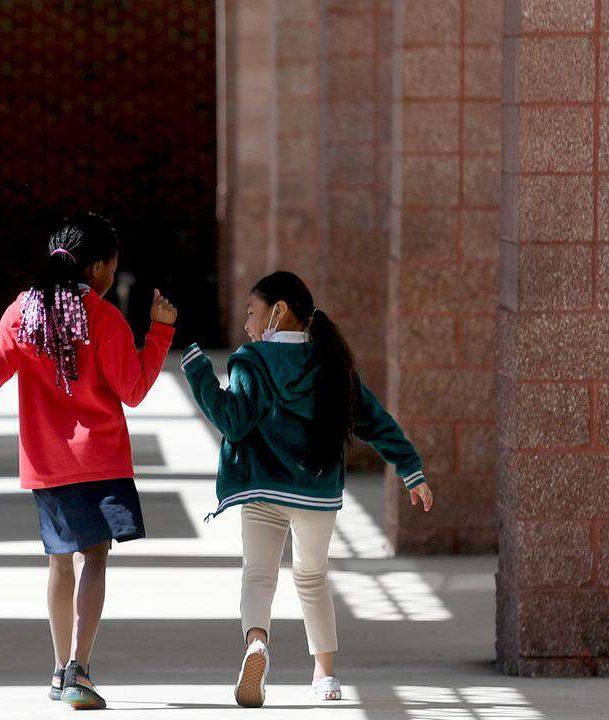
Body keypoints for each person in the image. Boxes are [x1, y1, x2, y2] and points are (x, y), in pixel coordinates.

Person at [0, 211, 178, 710]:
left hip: (46, 462)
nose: (113, 276)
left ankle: (57, 670)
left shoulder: (22, 313)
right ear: (97, 268)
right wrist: (160, 332)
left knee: (58, 561)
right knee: (94, 557)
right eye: (112, 267)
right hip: (101, 459)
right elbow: (133, 389)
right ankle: (81, 667)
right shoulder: (103, 315)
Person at [179, 270, 433, 708]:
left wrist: (199, 371)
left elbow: (233, 421)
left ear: (278, 312)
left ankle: (257, 644)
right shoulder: (330, 361)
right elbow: (373, 419)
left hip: (261, 488)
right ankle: (325, 676)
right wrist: (410, 469)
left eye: (252, 312)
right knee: (312, 578)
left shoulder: (252, 362)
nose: (246, 324)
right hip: (316, 495)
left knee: (258, 576)